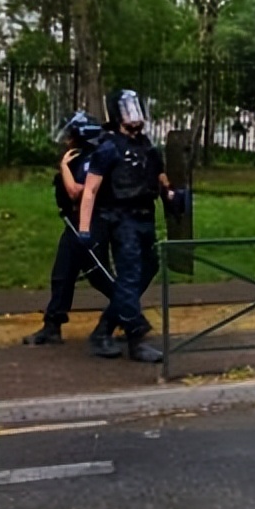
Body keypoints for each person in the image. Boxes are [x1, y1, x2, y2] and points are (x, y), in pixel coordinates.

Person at [77, 89, 177, 363]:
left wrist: (172, 196)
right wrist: (85, 229)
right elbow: (90, 190)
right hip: (122, 220)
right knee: (130, 275)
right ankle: (136, 339)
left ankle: (104, 330)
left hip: (146, 217)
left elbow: (160, 177)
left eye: (136, 107)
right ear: (117, 114)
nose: (134, 114)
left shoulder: (146, 145)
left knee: (146, 270)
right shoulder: (108, 147)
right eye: (128, 108)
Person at [21, 111, 115, 345]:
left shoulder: (91, 159)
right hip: (74, 223)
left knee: (99, 276)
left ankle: (130, 315)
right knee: (62, 273)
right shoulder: (81, 157)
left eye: (70, 136)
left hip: (90, 224)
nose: (66, 141)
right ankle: (52, 325)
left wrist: (63, 166)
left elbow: (77, 191)